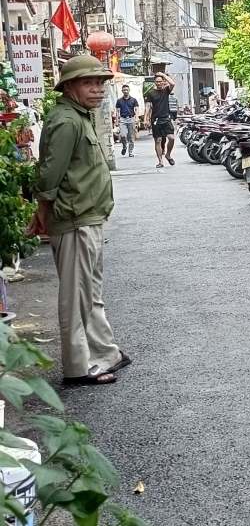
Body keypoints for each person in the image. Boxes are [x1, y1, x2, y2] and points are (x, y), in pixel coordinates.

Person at [29, 55, 131, 385]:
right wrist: (42, 214)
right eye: (89, 82)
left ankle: (105, 353)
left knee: (90, 292)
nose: (97, 89)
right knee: (76, 297)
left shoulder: (79, 115)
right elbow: (50, 175)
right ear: (70, 86)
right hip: (74, 219)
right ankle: (78, 367)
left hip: (86, 216)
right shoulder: (67, 120)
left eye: (100, 83)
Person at [144, 72, 176, 168]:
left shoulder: (166, 90)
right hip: (156, 120)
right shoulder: (151, 93)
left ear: (163, 82)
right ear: (155, 82)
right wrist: (146, 119)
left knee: (171, 138)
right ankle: (160, 161)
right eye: (157, 81)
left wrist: (163, 75)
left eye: (160, 81)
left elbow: (173, 84)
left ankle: (168, 155)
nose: (159, 83)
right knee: (158, 140)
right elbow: (148, 107)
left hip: (166, 118)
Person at [114, 84, 139, 157]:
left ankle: (130, 152)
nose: (125, 91)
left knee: (131, 137)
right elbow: (117, 111)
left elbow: (136, 109)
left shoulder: (133, 100)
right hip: (123, 119)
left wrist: (136, 118)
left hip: (131, 119)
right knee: (123, 135)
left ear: (129, 90)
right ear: (122, 91)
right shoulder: (119, 101)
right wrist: (117, 121)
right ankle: (124, 146)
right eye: (124, 90)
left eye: (127, 90)